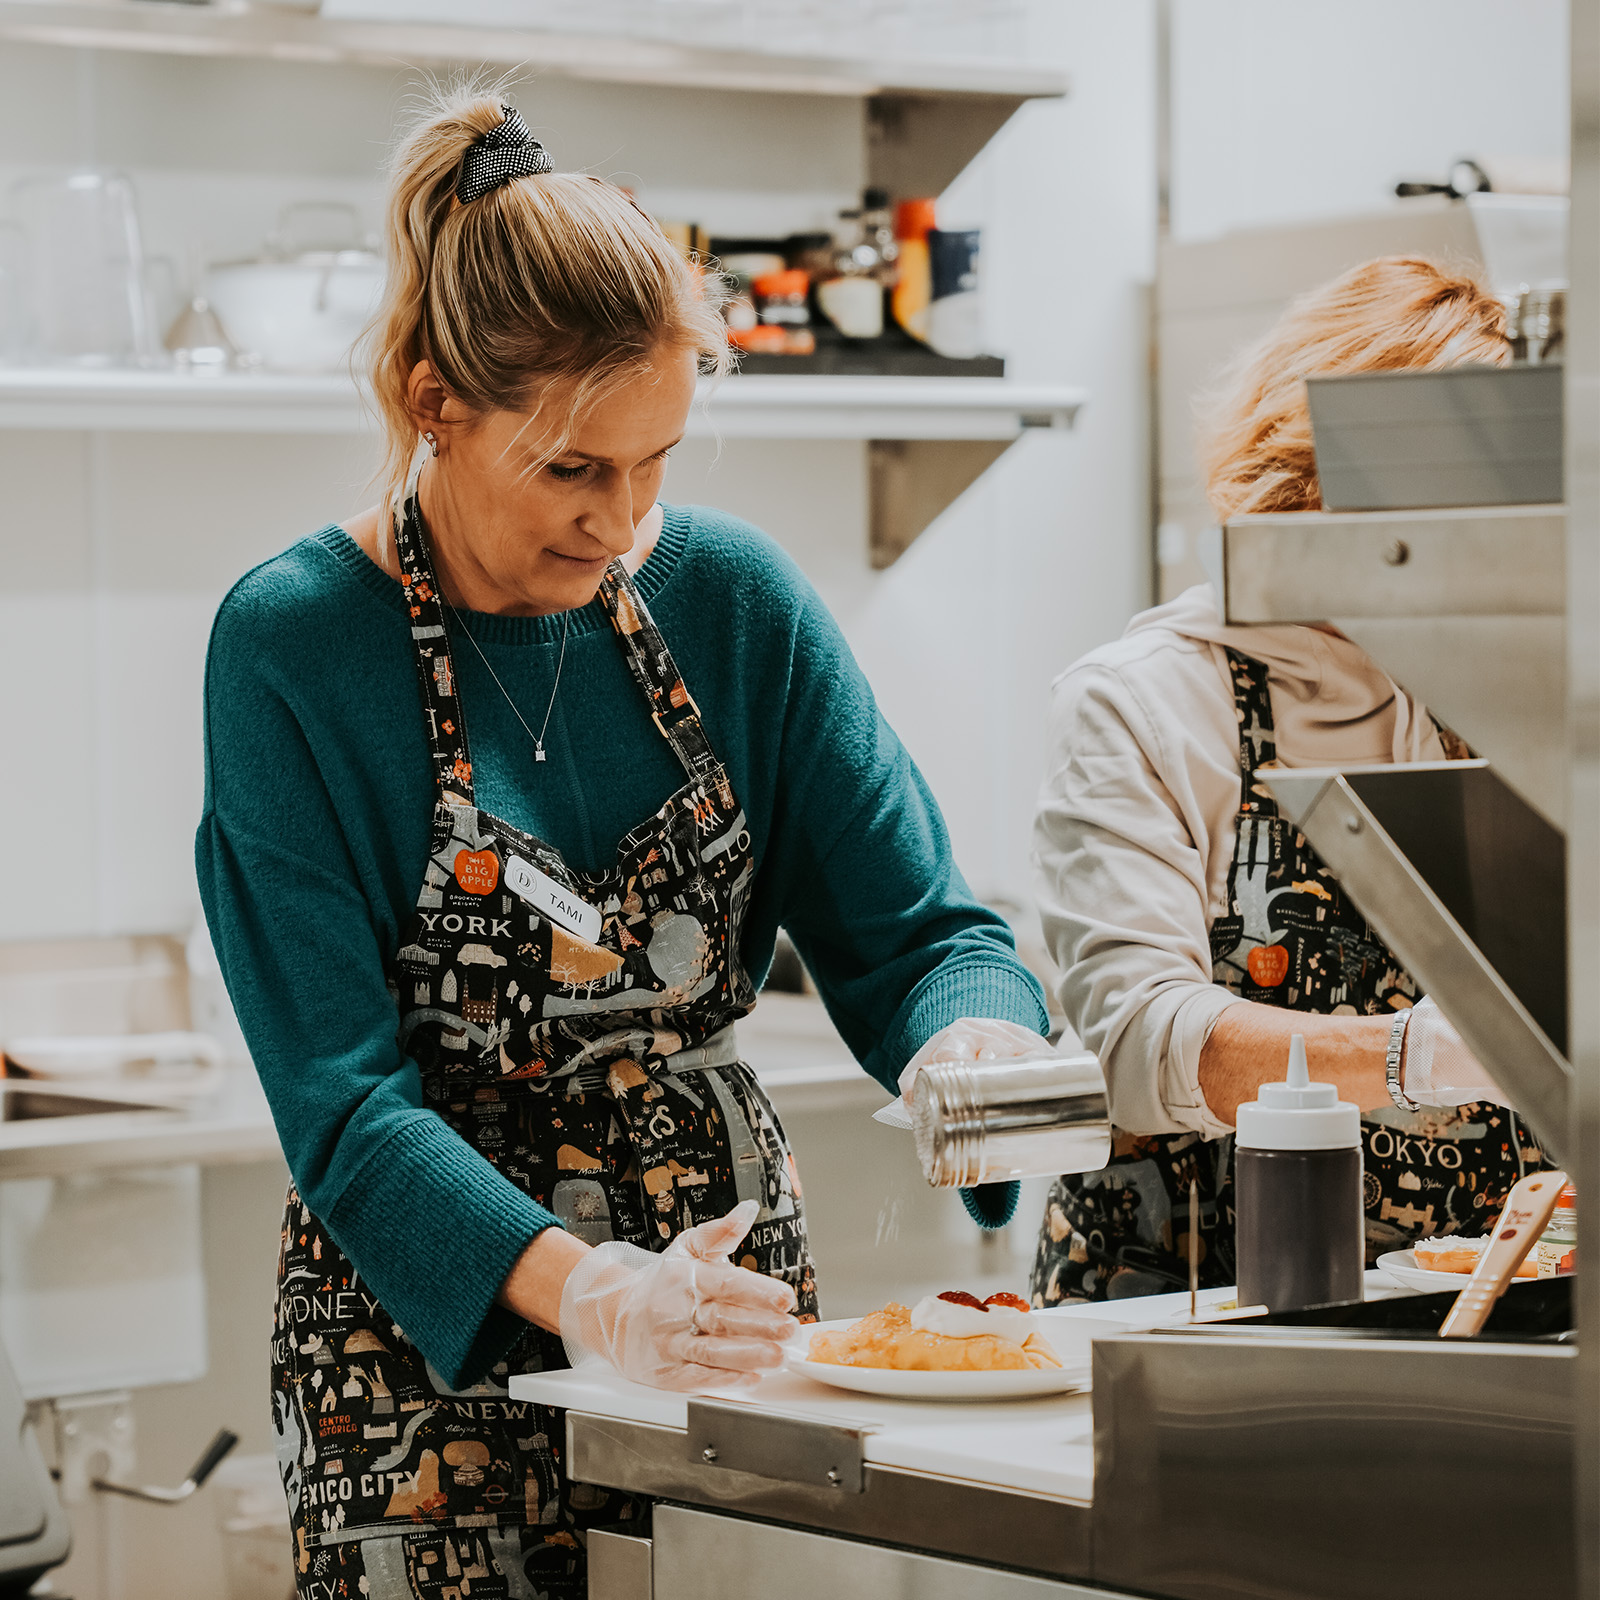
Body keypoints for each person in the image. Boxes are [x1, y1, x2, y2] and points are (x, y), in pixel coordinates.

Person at [197, 93, 1048, 1597]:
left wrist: (972, 1052)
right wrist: (586, 1293)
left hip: (722, 1323)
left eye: (656, 462)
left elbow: (925, 931)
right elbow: (341, 1102)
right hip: (426, 1365)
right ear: (430, 402)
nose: (621, 520)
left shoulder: (730, 599)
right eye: (572, 470)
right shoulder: (295, 647)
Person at [1028, 256, 1541, 1307]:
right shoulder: (1148, 702)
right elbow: (1137, 1041)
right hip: (1197, 1302)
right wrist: (1422, 1055)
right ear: (1306, 479)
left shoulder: (1508, 696)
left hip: (1485, 1296)